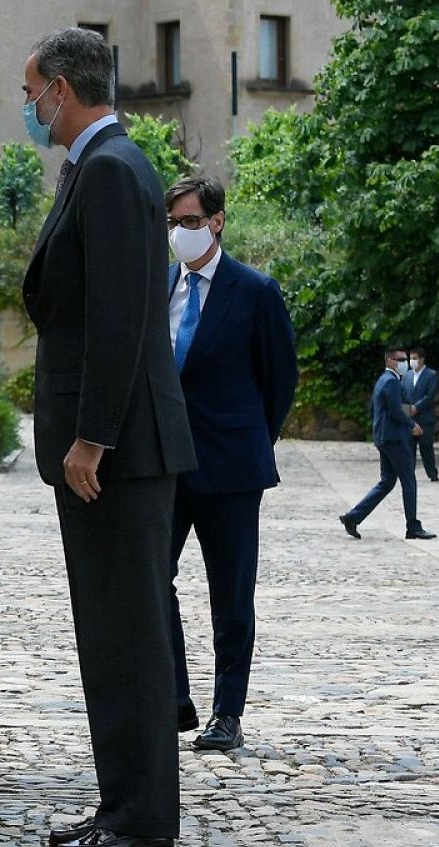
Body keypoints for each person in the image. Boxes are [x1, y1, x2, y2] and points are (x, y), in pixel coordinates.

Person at [18, 28, 197, 847]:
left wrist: (91, 437)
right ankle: (123, 802)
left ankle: (143, 818)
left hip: (119, 453)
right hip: (111, 450)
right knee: (110, 634)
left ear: (61, 88)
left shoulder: (114, 170)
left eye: (32, 92)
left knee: (128, 636)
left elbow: (122, 318)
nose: (28, 107)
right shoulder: (95, 166)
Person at [162, 176, 299, 754]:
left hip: (232, 468)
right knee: (152, 578)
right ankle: (174, 698)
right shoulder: (159, 286)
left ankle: (228, 713)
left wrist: (251, 441)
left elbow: (280, 379)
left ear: (217, 222)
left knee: (232, 595)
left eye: (191, 222)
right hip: (166, 465)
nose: (180, 232)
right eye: (173, 223)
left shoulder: (255, 290)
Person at [339, 348, 436, 540]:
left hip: (385, 437)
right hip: (394, 438)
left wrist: (404, 414)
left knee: (387, 482)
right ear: (390, 361)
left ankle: (353, 517)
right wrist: (412, 425)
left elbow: (378, 408)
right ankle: (413, 527)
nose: (405, 363)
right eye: (401, 359)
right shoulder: (391, 381)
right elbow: (395, 411)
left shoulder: (383, 380)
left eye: (405, 359)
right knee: (409, 480)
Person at [405, 348, 439, 481]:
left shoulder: (431, 375)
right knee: (409, 447)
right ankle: (409, 473)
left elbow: (430, 395)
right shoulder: (407, 375)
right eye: (411, 358)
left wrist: (417, 407)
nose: (412, 361)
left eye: (415, 358)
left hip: (425, 417)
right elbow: (403, 393)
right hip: (409, 417)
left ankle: (432, 473)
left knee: (426, 447)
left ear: (422, 359)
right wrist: (407, 409)